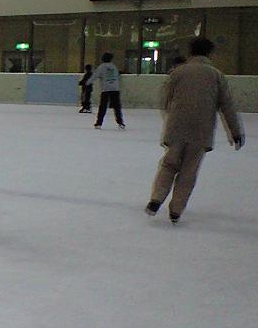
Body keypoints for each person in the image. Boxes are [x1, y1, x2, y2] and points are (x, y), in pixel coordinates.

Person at [146, 37, 244, 223]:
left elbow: (165, 99)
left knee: (169, 164)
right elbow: (227, 106)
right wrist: (235, 131)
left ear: (190, 51)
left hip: (177, 127)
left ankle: (156, 198)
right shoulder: (216, 75)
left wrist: (171, 116)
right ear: (209, 53)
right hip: (202, 130)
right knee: (189, 171)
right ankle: (176, 210)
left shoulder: (178, 72)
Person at [87, 52, 125, 129]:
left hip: (106, 89)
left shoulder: (102, 67)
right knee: (117, 107)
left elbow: (95, 76)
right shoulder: (114, 67)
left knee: (103, 107)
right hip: (115, 89)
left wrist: (87, 83)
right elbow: (117, 76)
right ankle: (120, 123)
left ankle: (99, 123)